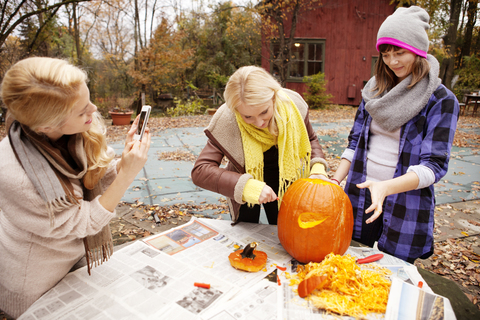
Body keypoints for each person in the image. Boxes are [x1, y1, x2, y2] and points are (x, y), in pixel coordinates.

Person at [0, 57, 151, 317]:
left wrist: (121, 164)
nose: (93, 109)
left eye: (88, 100)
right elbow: (84, 222)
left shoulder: (76, 132)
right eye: (82, 111)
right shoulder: (16, 175)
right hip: (37, 279)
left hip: (75, 256)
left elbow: (92, 178)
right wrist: (127, 175)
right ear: (46, 126)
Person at [331, 6, 459, 263]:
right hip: (360, 194)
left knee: (394, 273)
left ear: (418, 50)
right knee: (351, 262)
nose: (392, 62)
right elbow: (355, 143)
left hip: (405, 201)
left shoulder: (440, 100)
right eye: (386, 54)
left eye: (399, 53)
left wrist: (385, 188)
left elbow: (433, 166)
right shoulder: (374, 92)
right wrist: (334, 181)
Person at [191, 66, 329, 225]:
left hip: (284, 179)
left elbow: (310, 139)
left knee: (284, 229)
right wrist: (244, 186)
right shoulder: (227, 120)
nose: (259, 123)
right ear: (235, 109)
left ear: (274, 97)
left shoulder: (294, 106)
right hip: (244, 181)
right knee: (246, 230)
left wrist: (317, 166)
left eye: (264, 112)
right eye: (248, 116)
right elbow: (200, 170)